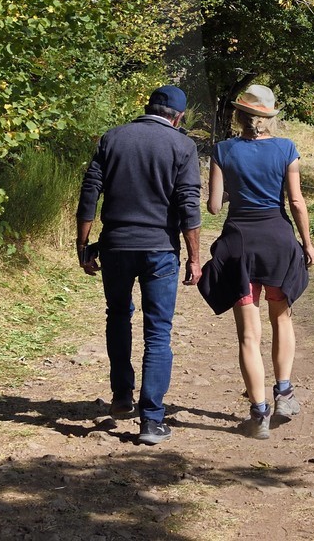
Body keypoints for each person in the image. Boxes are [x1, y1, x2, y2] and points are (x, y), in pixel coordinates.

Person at [76, 84, 202, 446]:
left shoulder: (112, 138)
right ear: (178, 117)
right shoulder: (182, 146)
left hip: (115, 247)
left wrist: (83, 244)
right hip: (160, 251)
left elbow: (89, 194)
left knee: (117, 315)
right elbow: (188, 206)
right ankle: (151, 420)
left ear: (147, 107)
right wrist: (194, 258)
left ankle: (121, 397)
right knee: (158, 332)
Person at [197, 84, 314, 440]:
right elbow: (296, 202)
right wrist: (307, 244)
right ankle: (284, 393)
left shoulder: (222, 150)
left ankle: (259, 413)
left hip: (239, 245)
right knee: (281, 318)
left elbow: (215, 207)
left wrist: (234, 184)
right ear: (269, 118)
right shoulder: (286, 149)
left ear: (239, 116)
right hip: (278, 242)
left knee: (248, 336)